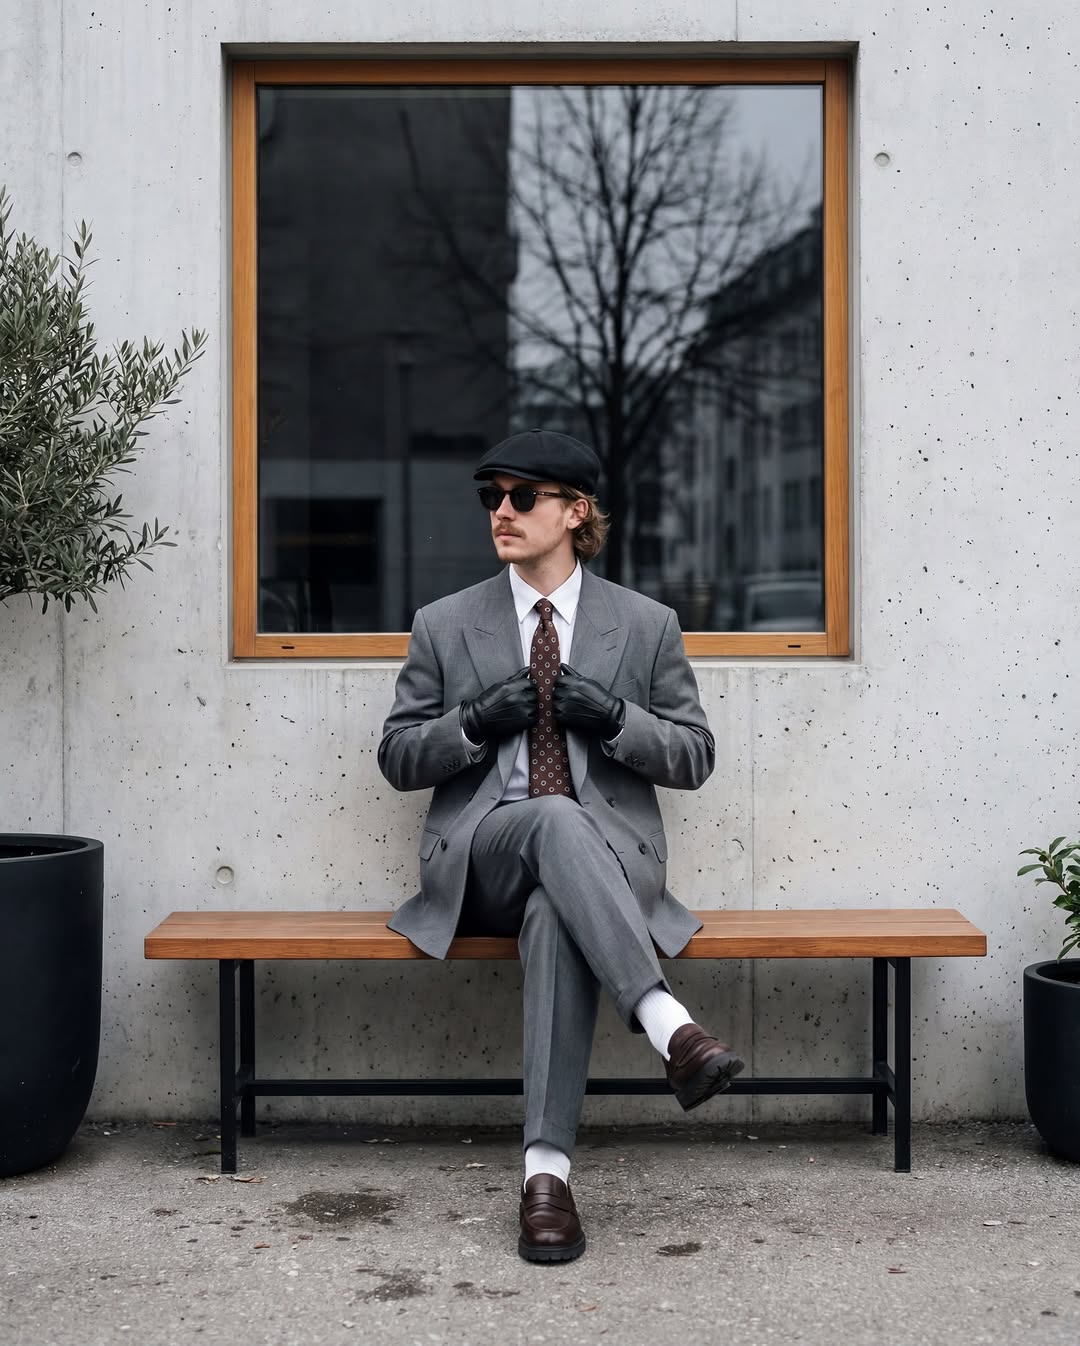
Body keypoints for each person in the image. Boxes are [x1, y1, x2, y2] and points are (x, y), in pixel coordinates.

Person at [378, 428, 743, 1263]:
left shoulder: (645, 626)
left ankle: (547, 1179)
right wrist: (470, 725)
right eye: (491, 498)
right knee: (550, 818)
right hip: (484, 859)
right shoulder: (446, 623)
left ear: (577, 512)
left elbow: (695, 756)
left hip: (605, 872)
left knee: (555, 912)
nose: (500, 512)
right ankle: (670, 1026)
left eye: (522, 496)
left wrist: (616, 721)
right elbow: (398, 756)